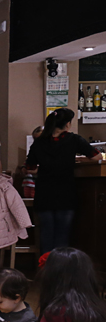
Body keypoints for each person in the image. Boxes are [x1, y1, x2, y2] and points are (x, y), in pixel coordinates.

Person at [25, 108, 101, 253]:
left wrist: (46, 167)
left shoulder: (39, 142)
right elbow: (97, 156)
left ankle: (45, 265)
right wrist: (76, 160)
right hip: (66, 194)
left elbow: (30, 168)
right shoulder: (74, 139)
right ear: (67, 124)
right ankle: (60, 266)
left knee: (46, 234)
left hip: (44, 195)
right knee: (62, 236)